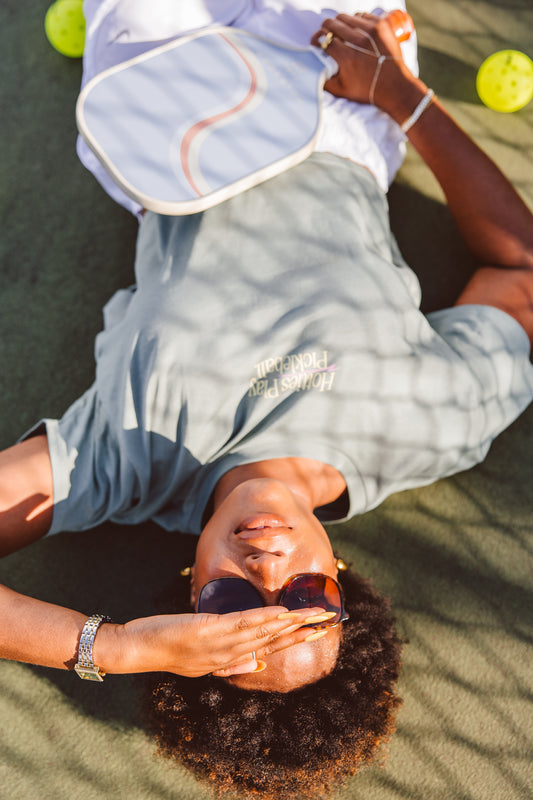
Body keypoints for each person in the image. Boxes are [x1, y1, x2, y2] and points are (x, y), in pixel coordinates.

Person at [1, 1, 533, 798]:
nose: (265, 563)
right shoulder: (434, 423)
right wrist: (402, 98)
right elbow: (520, 271)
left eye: (229, 601)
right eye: (305, 597)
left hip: (166, 99)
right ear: (341, 576)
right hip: (342, 94)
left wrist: (116, 650)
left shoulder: (128, 459)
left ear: (188, 593)